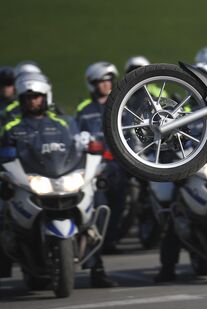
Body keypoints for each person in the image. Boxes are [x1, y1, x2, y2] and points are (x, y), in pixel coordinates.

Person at [0, 72, 117, 287]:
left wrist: (90, 150)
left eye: (37, 96)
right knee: (3, 208)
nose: (33, 101)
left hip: (61, 179)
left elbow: (78, 146)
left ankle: (97, 270)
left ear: (46, 97)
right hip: (30, 183)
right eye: (28, 97)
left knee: (98, 207)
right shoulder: (12, 126)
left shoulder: (64, 122)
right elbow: (6, 153)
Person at [76, 62, 125, 256]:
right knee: (100, 206)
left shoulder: (122, 104)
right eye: (101, 82)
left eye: (109, 80)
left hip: (119, 164)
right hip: (96, 167)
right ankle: (96, 247)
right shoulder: (84, 109)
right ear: (92, 84)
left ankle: (111, 241)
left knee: (119, 204)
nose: (106, 85)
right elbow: (77, 137)